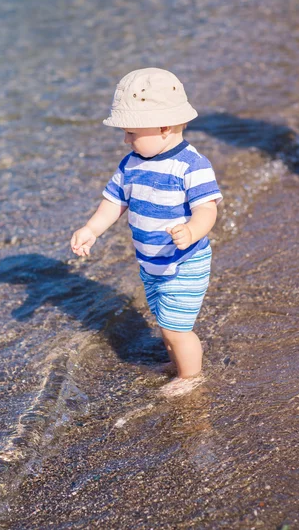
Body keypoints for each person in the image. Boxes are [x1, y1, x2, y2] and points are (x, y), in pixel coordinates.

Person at [71, 68, 222, 397]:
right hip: (151, 264)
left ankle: (192, 376)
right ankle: (177, 364)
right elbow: (114, 203)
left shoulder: (191, 166)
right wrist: (91, 229)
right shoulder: (131, 164)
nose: (126, 139)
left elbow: (207, 209)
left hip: (185, 262)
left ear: (165, 127)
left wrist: (192, 230)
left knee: (177, 328)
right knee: (166, 323)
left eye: (131, 132)